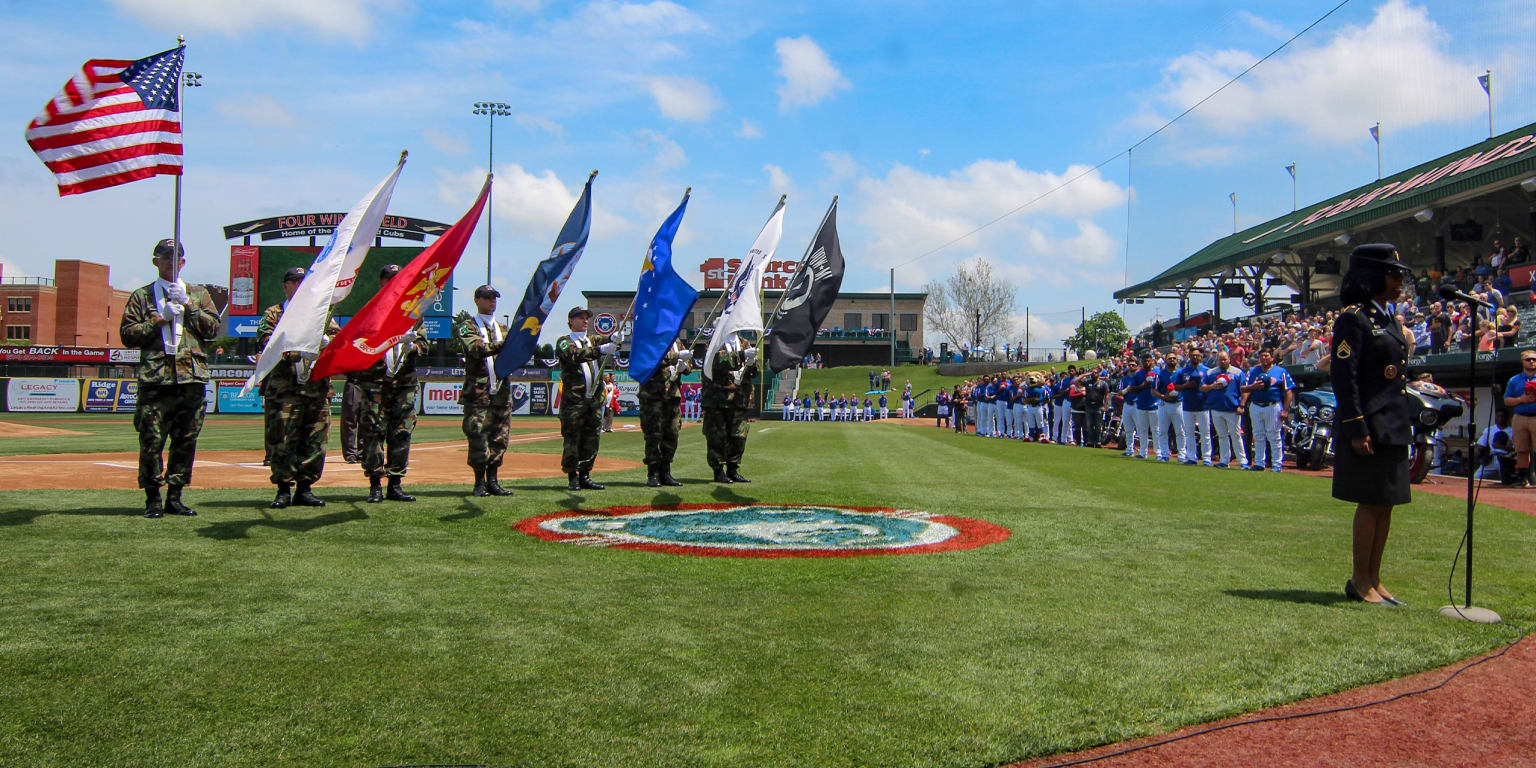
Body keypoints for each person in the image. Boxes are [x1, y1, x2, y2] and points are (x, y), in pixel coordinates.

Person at [1331, 244, 1414, 607]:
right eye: (1393, 273)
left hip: (1392, 421)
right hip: (1369, 423)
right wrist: (1356, 427)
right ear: (1372, 276)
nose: (1400, 280)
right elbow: (1344, 377)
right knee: (1370, 502)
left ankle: (1375, 578)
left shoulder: (1389, 318)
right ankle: (1359, 579)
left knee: (1386, 503)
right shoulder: (1354, 318)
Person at [118, 239, 221, 518]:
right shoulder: (143, 296)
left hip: (190, 379)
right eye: (165, 258)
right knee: (151, 440)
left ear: (184, 262)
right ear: (156, 262)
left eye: (176, 258)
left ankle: (175, 496)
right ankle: (153, 498)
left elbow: (213, 330)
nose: (171, 262)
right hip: (156, 380)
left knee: (185, 440)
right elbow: (127, 335)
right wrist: (160, 319)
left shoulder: (198, 293)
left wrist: (188, 304)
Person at [258, 266, 340, 509]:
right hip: (284, 390)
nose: (298, 286)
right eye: (293, 282)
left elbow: (336, 341)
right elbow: (266, 340)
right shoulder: (274, 313)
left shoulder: (322, 314)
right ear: (285, 286)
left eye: (302, 282)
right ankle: (283, 489)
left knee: (315, 440)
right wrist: (296, 351)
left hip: (316, 388)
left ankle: (305, 488)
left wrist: (326, 342)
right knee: (283, 440)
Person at [353, 263, 430, 503]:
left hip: (404, 382)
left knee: (402, 433)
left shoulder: (413, 313)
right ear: (381, 282)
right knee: (373, 433)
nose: (393, 283)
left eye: (398, 279)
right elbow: (358, 344)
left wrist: (413, 347)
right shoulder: (369, 312)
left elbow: (424, 346)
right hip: (376, 382)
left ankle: (395, 484)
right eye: (389, 279)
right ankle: (375, 484)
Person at [453, 285, 515, 497]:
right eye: (488, 298)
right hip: (478, 393)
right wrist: (506, 344)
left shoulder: (503, 328)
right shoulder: (467, 326)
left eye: (494, 298)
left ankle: (494, 481)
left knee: (499, 437)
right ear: (477, 300)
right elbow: (476, 348)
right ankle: (479, 482)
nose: (492, 302)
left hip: (501, 392)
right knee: (478, 436)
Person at [556, 306, 621, 491]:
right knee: (573, 439)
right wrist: (601, 349)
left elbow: (607, 340)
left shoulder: (590, 339)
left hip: (593, 401)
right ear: (571, 321)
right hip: (574, 401)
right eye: (580, 317)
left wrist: (615, 338)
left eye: (586, 318)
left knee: (592, 438)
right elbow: (574, 355)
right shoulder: (564, 341)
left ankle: (585, 474)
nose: (585, 320)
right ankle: (572, 477)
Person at [703, 334, 758, 483]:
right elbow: (716, 360)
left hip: (740, 399)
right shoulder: (714, 342)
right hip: (718, 399)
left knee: (739, 436)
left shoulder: (744, 342)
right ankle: (718, 471)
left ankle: (733, 469)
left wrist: (752, 362)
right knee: (718, 437)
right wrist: (741, 355)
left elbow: (754, 371)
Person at [638, 337, 692, 487]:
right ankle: (652, 473)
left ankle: (665, 472)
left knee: (672, 434)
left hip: (673, 396)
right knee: (654, 434)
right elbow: (651, 360)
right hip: (653, 396)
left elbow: (689, 366)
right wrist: (677, 357)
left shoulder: (677, 342)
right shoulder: (649, 337)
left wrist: (684, 367)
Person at [1241, 348, 1296, 473]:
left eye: (1266, 356)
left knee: (1274, 435)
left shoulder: (1280, 371)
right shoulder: (1253, 371)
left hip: (1273, 405)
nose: (1264, 358)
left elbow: (1288, 391)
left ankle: (1277, 464)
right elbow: (1243, 389)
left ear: (1272, 357)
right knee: (1258, 435)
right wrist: (1254, 387)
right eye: (1262, 356)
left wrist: (1286, 410)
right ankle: (1260, 463)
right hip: (1256, 405)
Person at [1202, 349, 1248, 469]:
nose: (1222, 361)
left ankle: (1242, 461)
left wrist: (1242, 405)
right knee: (1221, 435)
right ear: (1217, 360)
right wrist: (1212, 386)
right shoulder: (1211, 373)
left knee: (1236, 435)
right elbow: (1202, 387)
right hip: (1216, 408)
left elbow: (1244, 390)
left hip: (1232, 408)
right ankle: (1224, 460)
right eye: (1220, 359)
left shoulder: (1237, 372)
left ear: (1229, 359)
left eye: (1225, 359)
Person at [1500, 349, 1536, 487]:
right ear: (1522, 362)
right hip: (1520, 417)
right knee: (1521, 449)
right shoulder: (1514, 380)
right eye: (1528, 359)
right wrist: (1522, 399)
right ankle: (1522, 479)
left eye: (1534, 359)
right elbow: (1507, 400)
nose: (1532, 362)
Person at [1175, 348, 1212, 466]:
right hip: (1187, 405)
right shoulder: (1183, 371)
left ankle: (1207, 458)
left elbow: (1211, 387)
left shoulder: (1207, 371)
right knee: (1189, 433)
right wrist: (1187, 385)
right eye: (1193, 355)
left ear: (1201, 357)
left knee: (1205, 433)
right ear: (1189, 356)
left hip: (1203, 406)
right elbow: (1176, 387)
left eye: (1197, 355)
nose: (1195, 357)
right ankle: (1191, 457)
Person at [1154, 352, 1182, 462]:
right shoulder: (1160, 374)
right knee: (1163, 431)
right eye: (1169, 358)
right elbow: (1154, 389)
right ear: (1166, 360)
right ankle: (1165, 454)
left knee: (1180, 431)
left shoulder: (1181, 373)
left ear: (1177, 360)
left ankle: (1182, 455)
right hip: (1164, 404)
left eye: (1174, 358)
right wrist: (1162, 396)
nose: (1172, 360)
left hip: (1178, 404)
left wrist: (1178, 392)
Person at [339, 376, 363, 463]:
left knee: (367, 420)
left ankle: (363, 453)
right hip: (354, 382)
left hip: (371, 383)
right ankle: (350, 454)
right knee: (350, 419)